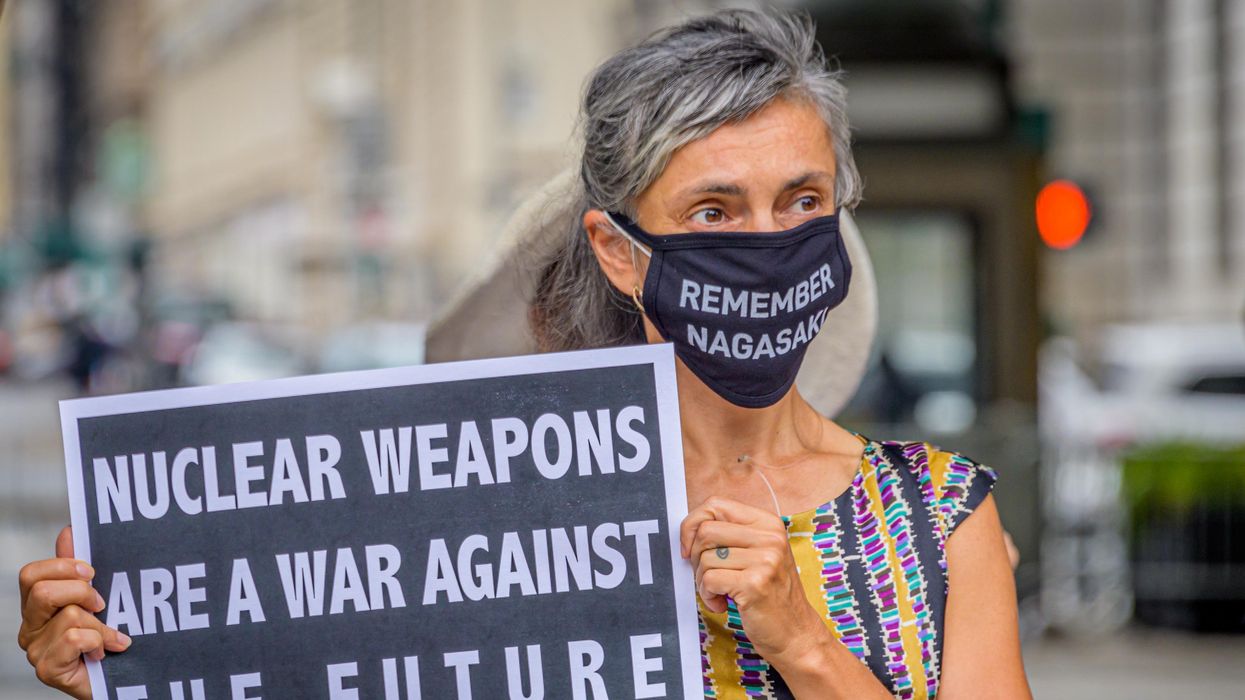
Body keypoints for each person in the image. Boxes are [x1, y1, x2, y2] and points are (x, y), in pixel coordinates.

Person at [17, 8, 1030, 699]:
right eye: (714, 210)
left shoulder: (939, 517)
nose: (767, 242)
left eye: (800, 201)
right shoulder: (472, 518)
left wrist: (805, 644)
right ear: (617, 252)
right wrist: (133, 667)